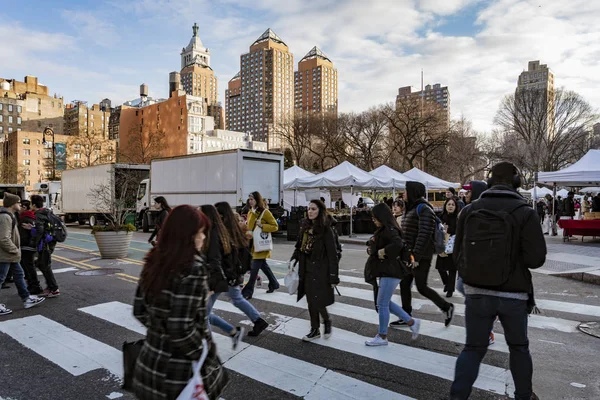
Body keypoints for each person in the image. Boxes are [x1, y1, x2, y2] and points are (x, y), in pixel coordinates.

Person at [450, 162, 546, 400]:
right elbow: (536, 260)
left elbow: (456, 254)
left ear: (490, 181)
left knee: (473, 349)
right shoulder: (526, 212)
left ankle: (458, 396)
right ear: (516, 183)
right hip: (514, 295)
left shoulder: (469, 210)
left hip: (476, 291)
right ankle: (523, 395)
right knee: (519, 348)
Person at [133, 205, 228, 400]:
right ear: (187, 235)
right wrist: (205, 353)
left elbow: (139, 310)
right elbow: (180, 328)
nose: (203, 238)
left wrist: (160, 332)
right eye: (200, 232)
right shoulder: (193, 268)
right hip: (177, 373)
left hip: (150, 365)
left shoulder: (154, 259)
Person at [394, 181, 454, 328]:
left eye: (406, 191)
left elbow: (424, 234)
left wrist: (416, 256)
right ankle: (406, 315)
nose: (404, 194)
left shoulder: (424, 208)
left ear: (413, 192)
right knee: (404, 283)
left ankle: (446, 307)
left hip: (420, 256)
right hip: (410, 255)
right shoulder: (411, 208)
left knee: (421, 287)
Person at [364, 203, 420, 346]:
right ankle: (411, 321)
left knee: (382, 303)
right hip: (388, 269)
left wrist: (382, 252)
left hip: (391, 270)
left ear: (381, 217)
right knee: (385, 302)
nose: (373, 220)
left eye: (374, 217)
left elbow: (398, 244)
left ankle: (382, 336)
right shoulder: (386, 228)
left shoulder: (390, 229)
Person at [215, 202, 269, 337]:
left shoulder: (225, 231)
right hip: (232, 273)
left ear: (222, 214)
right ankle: (258, 321)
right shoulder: (233, 229)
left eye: (217, 213)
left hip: (226, 274)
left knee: (207, 308)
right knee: (237, 298)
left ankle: (230, 332)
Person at [291, 199, 339, 341]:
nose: (310, 211)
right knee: (312, 300)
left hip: (320, 270)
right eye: (309, 209)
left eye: (313, 209)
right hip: (306, 269)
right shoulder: (305, 227)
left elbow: (333, 255)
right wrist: (293, 260)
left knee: (315, 300)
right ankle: (321, 324)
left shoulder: (326, 229)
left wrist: (333, 277)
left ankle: (317, 327)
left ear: (320, 211)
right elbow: (299, 246)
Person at [200, 204, 245, 350]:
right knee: (204, 313)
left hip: (214, 281)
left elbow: (214, 261)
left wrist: (212, 287)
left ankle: (209, 350)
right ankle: (233, 332)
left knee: (202, 315)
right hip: (214, 279)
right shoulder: (214, 231)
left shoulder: (213, 234)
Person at [0, 193, 45, 316]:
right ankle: (26, 299)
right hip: (6, 254)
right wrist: (15, 250)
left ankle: (26, 299)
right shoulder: (5, 217)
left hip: (10, 254)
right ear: (12, 204)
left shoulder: (10, 215)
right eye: (18, 202)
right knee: (1, 278)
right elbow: (3, 238)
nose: (21, 205)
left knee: (19, 275)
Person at [241, 191, 280, 299]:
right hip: (252, 244)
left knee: (254, 270)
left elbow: (275, 226)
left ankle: (248, 291)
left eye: (252, 199)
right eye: (249, 199)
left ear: (257, 200)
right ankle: (274, 283)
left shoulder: (265, 212)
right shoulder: (250, 212)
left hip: (261, 245)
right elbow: (249, 228)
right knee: (263, 266)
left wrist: (262, 225)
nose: (250, 201)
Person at [30, 195, 60, 297]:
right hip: (50, 243)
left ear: (34, 204)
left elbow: (40, 230)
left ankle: (54, 289)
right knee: (41, 264)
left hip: (44, 244)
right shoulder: (47, 212)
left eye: (31, 204)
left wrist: (35, 243)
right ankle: (50, 287)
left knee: (45, 266)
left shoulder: (39, 214)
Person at [435, 198, 461, 298]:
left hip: (452, 246)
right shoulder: (440, 217)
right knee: (440, 267)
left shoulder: (458, 218)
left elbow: (459, 231)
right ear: (445, 206)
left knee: (452, 269)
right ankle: (446, 283)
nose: (450, 206)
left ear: (455, 207)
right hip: (442, 245)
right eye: (449, 204)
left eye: (452, 205)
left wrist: (448, 229)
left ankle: (450, 289)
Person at [18, 200, 43, 294]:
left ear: (24, 207)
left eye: (20, 206)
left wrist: (20, 244)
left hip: (27, 246)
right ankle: (33, 285)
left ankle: (35, 285)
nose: (19, 209)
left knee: (28, 267)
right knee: (28, 266)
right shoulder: (30, 217)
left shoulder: (25, 218)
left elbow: (23, 234)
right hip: (30, 245)